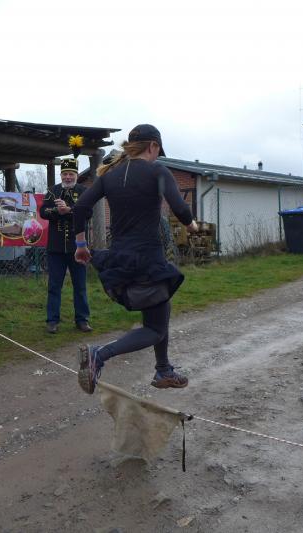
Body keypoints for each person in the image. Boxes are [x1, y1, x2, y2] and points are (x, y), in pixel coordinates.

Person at [72, 124, 199, 393]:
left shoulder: (110, 175)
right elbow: (180, 207)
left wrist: (81, 244)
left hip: (120, 260)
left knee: (160, 307)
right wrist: (191, 225)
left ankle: (163, 369)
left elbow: (80, 207)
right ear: (152, 146)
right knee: (155, 328)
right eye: (157, 151)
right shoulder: (157, 171)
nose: (157, 156)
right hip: (147, 261)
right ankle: (99, 354)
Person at [39, 158, 92, 334]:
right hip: (55, 248)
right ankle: (52, 321)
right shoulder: (52, 191)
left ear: (76, 175)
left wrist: (69, 210)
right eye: (65, 174)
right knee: (54, 286)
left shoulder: (84, 191)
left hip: (78, 247)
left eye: (71, 174)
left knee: (80, 286)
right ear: (61, 175)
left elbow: (88, 212)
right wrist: (57, 211)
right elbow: (43, 211)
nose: (68, 177)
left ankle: (82, 320)